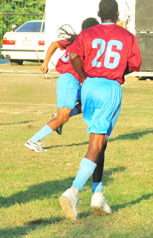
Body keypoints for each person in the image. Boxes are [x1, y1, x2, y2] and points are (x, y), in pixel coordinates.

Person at [58, 0, 141, 219]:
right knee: (97, 142)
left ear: (99, 13)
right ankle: (73, 192)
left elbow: (74, 55)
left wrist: (84, 78)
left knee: (99, 140)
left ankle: (98, 194)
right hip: (109, 87)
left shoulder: (88, 33)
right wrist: (117, 73)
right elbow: (135, 64)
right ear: (117, 13)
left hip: (89, 86)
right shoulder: (127, 36)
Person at [25, 17, 100, 151]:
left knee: (91, 103)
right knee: (62, 117)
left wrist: (45, 62)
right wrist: (45, 63)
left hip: (74, 81)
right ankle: (33, 140)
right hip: (69, 81)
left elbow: (54, 44)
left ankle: (58, 119)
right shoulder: (86, 43)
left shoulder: (76, 40)